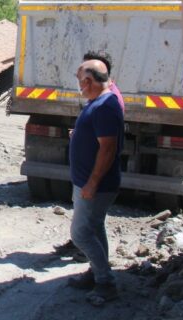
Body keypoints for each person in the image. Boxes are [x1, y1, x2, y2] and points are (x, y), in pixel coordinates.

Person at [67, 58, 124, 304]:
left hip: (96, 185)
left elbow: (108, 149)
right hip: (87, 182)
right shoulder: (98, 102)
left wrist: (92, 183)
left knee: (80, 234)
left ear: (89, 81)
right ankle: (96, 272)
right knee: (95, 227)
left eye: (80, 80)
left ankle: (105, 283)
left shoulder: (105, 105)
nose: (78, 84)